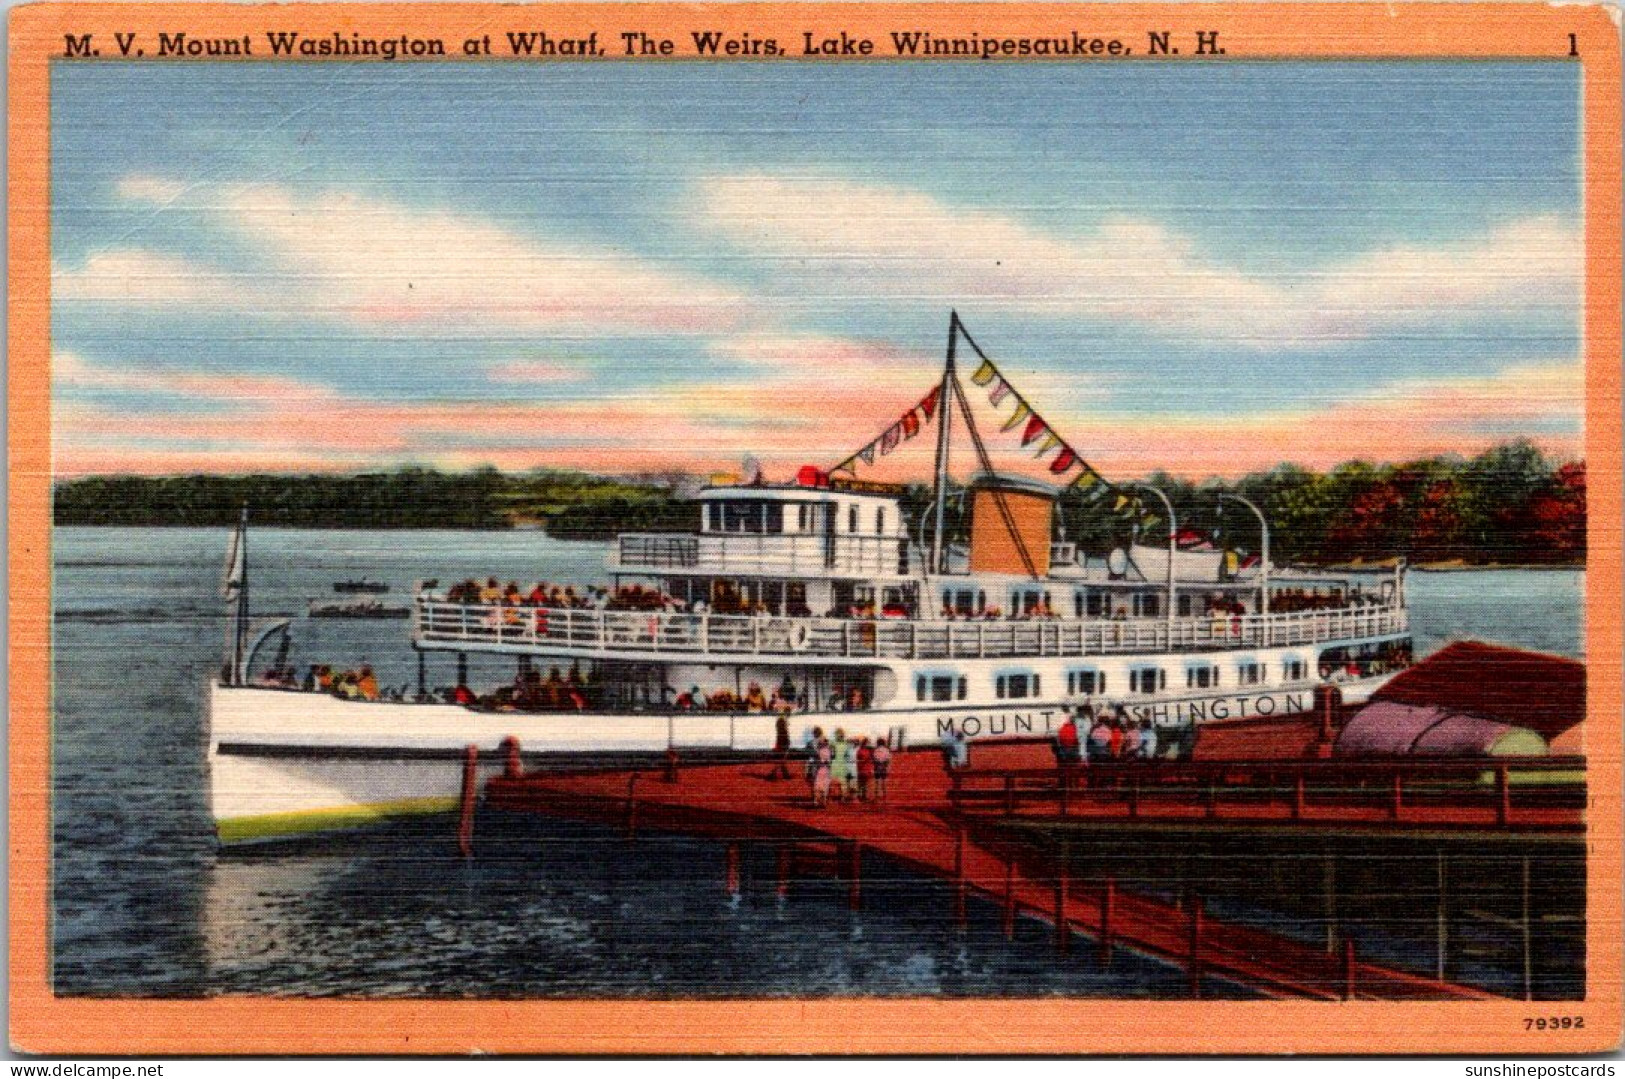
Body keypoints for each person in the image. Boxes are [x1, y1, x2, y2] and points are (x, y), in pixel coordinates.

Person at [830, 729, 852, 802]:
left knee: (836, 782)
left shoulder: (833, 743)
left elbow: (832, 754)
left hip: (836, 764)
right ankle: (841, 797)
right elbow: (847, 755)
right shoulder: (846, 744)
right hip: (840, 764)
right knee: (840, 782)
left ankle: (839, 797)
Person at [812, 735, 833, 808]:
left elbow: (826, 761)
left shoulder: (823, 750)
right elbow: (827, 761)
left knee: (821, 785)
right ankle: (819, 802)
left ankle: (819, 802)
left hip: (822, 769)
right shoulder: (824, 750)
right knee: (821, 786)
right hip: (822, 769)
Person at [773, 710, 792, 780]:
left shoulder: (781, 720)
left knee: (781, 758)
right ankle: (777, 773)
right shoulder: (782, 720)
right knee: (782, 759)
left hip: (781, 741)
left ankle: (783, 774)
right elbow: (784, 732)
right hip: (783, 741)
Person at [872, 737, 893, 801]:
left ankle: (876, 796)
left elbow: (874, 759)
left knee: (877, 782)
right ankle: (884, 796)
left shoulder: (876, 750)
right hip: (884, 767)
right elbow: (889, 759)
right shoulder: (886, 750)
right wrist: (888, 767)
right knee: (884, 782)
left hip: (877, 767)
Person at [856, 737, 875, 802]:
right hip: (864, 769)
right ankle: (862, 796)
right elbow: (859, 760)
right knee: (863, 784)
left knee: (863, 784)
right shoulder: (864, 751)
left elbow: (871, 760)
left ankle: (863, 796)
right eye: (867, 743)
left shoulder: (862, 750)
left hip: (864, 769)